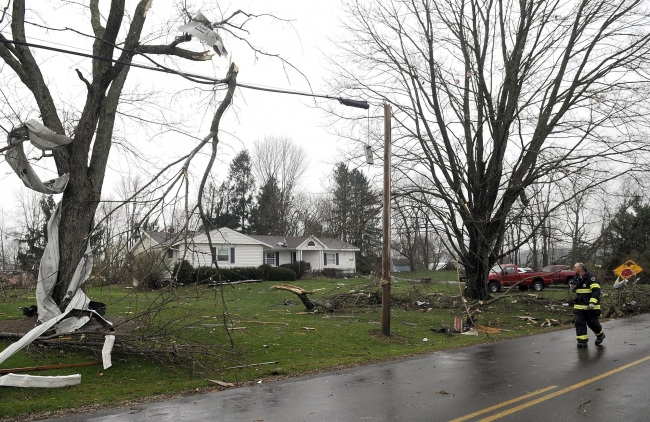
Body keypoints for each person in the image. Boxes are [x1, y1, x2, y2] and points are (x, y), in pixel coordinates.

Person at [570, 262, 605, 348]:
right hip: (579, 305)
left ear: (580, 268)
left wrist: (592, 302)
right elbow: (574, 287)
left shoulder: (591, 277)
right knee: (579, 322)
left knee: (592, 323)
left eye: (575, 267)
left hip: (591, 306)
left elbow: (596, 291)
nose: (573, 268)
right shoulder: (576, 277)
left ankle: (600, 335)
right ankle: (582, 341)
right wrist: (572, 288)